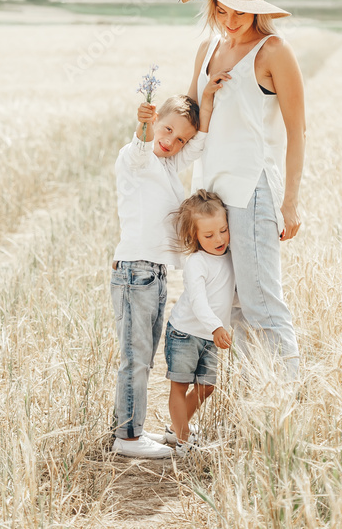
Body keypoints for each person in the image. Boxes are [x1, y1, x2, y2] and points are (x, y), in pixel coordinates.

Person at [178, 0, 306, 378]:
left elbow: (297, 130)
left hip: (252, 191)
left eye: (239, 11)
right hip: (210, 197)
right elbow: (193, 118)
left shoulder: (273, 52)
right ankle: (256, 402)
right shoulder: (208, 50)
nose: (229, 20)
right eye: (221, 9)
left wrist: (290, 203)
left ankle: (286, 406)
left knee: (261, 304)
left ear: (258, 11)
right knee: (229, 307)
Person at [110, 92, 216, 458]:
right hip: (136, 272)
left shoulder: (169, 165)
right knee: (135, 357)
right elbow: (142, 146)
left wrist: (211, 95)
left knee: (144, 357)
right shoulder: (135, 158)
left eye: (180, 138)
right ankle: (126, 437)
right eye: (167, 130)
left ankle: (133, 428)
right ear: (155, 122)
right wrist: (143, 123)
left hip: (153, 274)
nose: (172, 142)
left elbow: (197, 144)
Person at [163, 190, 235, 457]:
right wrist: (217, 327)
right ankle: (183, 440)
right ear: (194, 237)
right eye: (208, 235)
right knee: (180, 385)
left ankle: (175, 428)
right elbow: (198, 301)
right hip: (185, 333)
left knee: (207, 387)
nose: (219, 239)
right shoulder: (196, 262)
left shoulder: (229, 256)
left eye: (223, 230)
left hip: (209, 335)